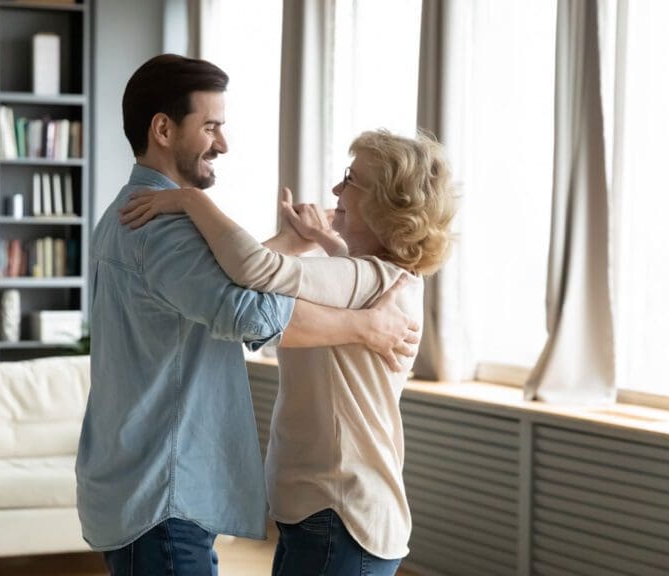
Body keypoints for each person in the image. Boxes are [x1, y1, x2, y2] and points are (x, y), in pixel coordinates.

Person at [75, 54, 421, 576]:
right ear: (164, 130)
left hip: (146, 490)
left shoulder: (131, 211)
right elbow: (249, 313)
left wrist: (291, 242)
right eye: (211, 126)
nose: (223, 144)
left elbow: (204, 287)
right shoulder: (162, 226)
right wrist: (365, 326)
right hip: (164, 495)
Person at [120, 128, 457, 576]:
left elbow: (253, 269)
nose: (336, 189)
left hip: (339, 513)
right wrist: (322, 237)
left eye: (351, 181)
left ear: (383, 205)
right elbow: (345, 276)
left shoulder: (363, 279)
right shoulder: (386, 278)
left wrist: (190, 201)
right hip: (333, 513)